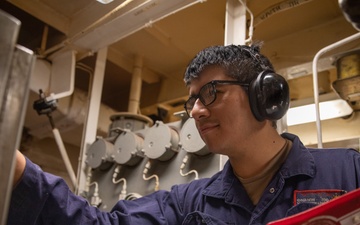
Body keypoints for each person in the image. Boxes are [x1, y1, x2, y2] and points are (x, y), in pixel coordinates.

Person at [8, 44, 360, 225]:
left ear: (264, 95)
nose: (195, 111)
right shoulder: (188, 205)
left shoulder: (349, 172)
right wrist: (15, 166)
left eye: (211, 92)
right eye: (191, 100)